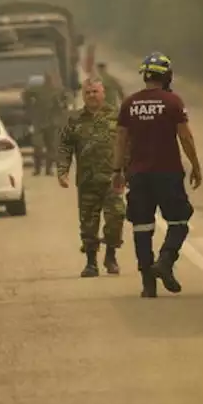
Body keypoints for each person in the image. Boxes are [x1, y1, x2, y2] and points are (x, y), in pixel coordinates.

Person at [112, 51, 202, 298]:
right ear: (167, 75)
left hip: (138, 175)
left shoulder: (129, 103)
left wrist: (117, 170)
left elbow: (121, 138)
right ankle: (165, 261)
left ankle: (147, 284)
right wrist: (195, 164)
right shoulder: (172, 102)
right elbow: (185, 136)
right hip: (168, 173)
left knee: (142, 228)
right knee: (179, 222)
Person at [57, 77, 125, 277]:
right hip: (87, 181)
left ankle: (111, 255)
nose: (92, 96)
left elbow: (127, 144)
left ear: (103, 93)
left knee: (116, 218)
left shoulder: (116, 116)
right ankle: (91, 263)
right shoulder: (74, 119)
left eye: (95, 92)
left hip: (112, 179)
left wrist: (127, 171)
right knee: (88, 224)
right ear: (83, 96)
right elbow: (65, 146)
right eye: (88, 93)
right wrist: (63, 171)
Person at [23, 71, 69, 175]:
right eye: (48, 78)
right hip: (39, 122)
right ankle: (38, 169)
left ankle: (48, 169)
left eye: (51, 78)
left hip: (51, 123)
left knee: (50, 147)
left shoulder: (57, 90)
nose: (50, 81)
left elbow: (65, 101)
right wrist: (30, 106)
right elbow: (26, 94)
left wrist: (61, 109)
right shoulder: (38, 89)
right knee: (38, 147)